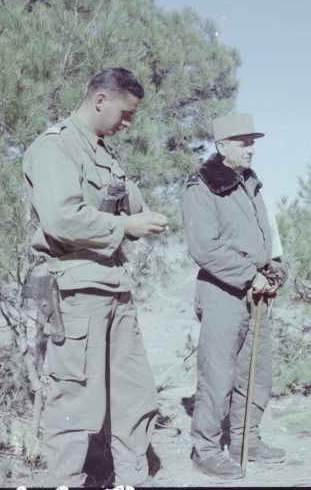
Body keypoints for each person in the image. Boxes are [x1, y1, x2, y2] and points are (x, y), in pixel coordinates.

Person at [23, 68, 169, 487]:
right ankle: (64, 481)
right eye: (125, 114)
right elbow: (62, 218)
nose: (128, 124)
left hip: (114, 285)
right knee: (75, 397)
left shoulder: (104, 152)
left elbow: (132, 203)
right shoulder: (56, 147)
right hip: (77, 288)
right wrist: (124, 226)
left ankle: (131, 478)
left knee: (133, 393)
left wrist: (132, 214)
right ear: (100, 99)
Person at [182, 113, 287, 479]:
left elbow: (266, 237)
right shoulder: (202, 185)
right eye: (242, 142)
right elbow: (204, 247)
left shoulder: (251, 184)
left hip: (256, 292)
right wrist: (248, 276)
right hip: (222, 291)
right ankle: (206, 450)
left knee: (256, 374)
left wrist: (275, 269)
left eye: (252, 141)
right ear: (221, 146)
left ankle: (247, 439)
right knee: (218, 375)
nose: (251, 149)